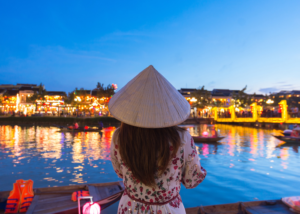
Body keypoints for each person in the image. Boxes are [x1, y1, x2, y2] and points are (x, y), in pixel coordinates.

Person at [109, 65, 207, 214]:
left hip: (130, 208)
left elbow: (120, 172)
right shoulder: (182, 138)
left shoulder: (118, 136)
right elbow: (191, 180)